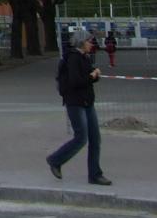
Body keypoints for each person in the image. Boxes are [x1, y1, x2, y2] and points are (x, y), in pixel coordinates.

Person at [46, 29, 111, 186]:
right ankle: (55, 159)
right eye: (89, 41)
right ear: (82, 42)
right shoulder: (73, 58)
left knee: (95, 139)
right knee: (81, 137)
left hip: (87, 102)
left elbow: (87, 79)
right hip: (75, 103)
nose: (92, 44)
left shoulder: (84, 57)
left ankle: (95, 174)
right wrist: (92, 76)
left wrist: (94, 76)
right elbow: (76, 81)